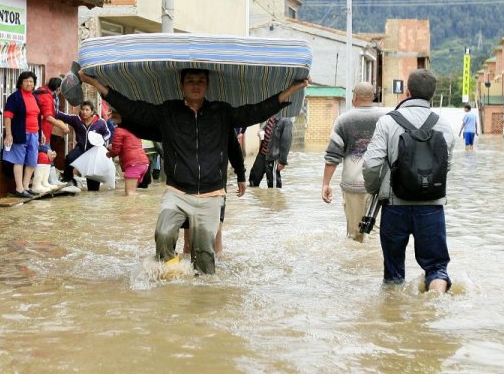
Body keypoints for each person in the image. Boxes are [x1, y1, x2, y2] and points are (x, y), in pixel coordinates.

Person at [78, 68, 308, 274]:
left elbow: (255, 112)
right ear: (182, 85)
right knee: (164, 234)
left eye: (200, 81)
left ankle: (203, 296)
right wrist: (96, 85)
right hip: (177, 192)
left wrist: (290, 91)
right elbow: (134, 108)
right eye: (190, 81)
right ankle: (174, 275)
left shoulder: (221, 113)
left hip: (211, 194)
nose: (195, 85)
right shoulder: (169, 112)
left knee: (204, 253)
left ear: (207, 85)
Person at [362, 69, 455, 294]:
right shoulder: (444, 125)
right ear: (432, 95)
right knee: (436, 267)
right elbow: (446, 166)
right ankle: (436, 299)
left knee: (393, 273)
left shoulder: (387, 122)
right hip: (432, 207)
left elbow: (371, 164)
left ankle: (394, 317)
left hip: (395, 206)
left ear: (407, 91)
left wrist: (375, 189)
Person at [322, 82, 385, 242]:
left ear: (354, 97)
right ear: (373, 97)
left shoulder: (343, 120)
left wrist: (326, 184)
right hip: (380, 187)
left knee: (354, 236)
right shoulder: (387, 119)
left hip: (353, 187)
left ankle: (355, 267)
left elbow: (332, 155)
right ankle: (375, 266)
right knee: (376, 236)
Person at [183, 130, 247, 255]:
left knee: (216, 234)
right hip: (188, 185)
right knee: (189, 238)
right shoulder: (185, 117)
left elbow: (233, 147)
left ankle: (217, 268)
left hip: (216, 186)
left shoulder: (221, 116)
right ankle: (187, 272)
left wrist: (241, 175)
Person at [2, 71, 43, 198]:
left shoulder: (35, 97)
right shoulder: (15, 97)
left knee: (32, 161)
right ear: (20, 83)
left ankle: (26, 186)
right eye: (26, 81)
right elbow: (8, 116)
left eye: (31, 81)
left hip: (34, 133)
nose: (29, 83)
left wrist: (41, 133)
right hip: (20, 133)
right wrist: (9, 134)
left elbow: (38, 116)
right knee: (18, 160)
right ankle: (19, 188)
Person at [56, 100, 111, 191]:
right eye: (82, 109)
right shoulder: (76, 119)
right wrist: (49, 109)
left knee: (93, 188)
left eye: (87, 110)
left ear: (92, 111)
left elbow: (108, 133)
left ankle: (93, 191)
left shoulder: (100, 122)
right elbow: (62, 116)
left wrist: (103, 139)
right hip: (81, 149)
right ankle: (67, 178)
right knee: (69, 158)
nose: (84, 112)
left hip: (93, 152)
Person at [33, 77, 70, 193]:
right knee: (46, 155)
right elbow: (48, 116)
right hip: (42, 131)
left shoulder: (42, 92)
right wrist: (62, 126)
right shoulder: (47, 97)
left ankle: (49, 181)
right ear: (58, 89)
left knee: (49, 155)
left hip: (42, 131)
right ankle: (41, 184)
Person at [248, 114, 293, 188]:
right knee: (253, 179)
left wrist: (282, 162)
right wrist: (260, 131)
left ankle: (275, 199)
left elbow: (286, 142)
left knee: (273, 186)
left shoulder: (286, 122)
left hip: (274, 157)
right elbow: (263, 129)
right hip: (262, 154)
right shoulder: (271, 118)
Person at [107, 125, 150, 195]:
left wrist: (109, 154)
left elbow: (116, 150)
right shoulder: (134, 128)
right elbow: (129, 144)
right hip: (143, 163)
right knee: (133, 192)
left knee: (130, 194)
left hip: (133, 164)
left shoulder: (119, 129)